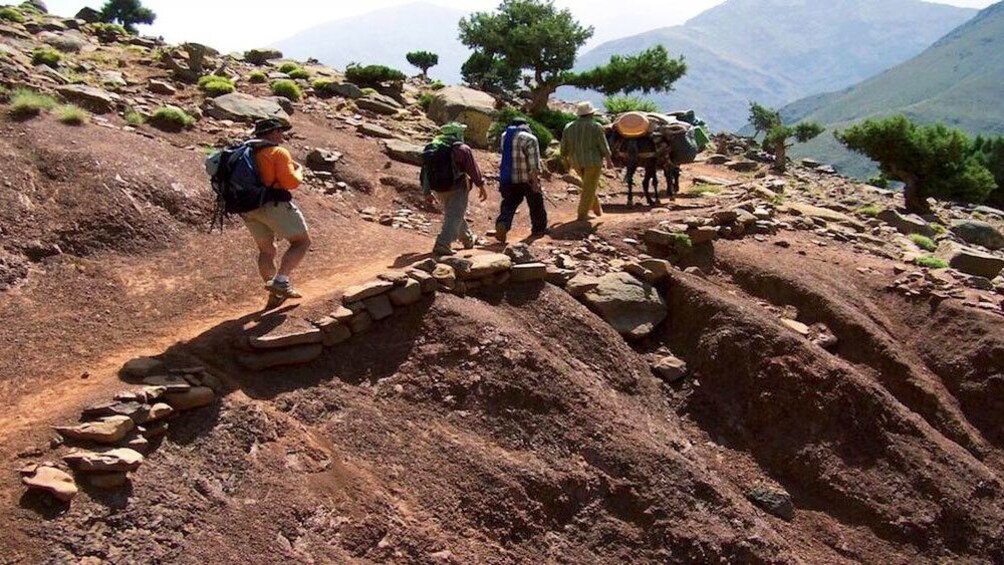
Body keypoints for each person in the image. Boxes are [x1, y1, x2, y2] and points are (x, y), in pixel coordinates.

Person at [241, 118, 311, 308]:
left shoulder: (246, 152)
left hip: (247, 208)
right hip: (273, 204)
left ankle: (274, 292)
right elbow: (290, 183)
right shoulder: (278, 152)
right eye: (280, 131)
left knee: (266, 250)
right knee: (301, 242)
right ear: (271, 133)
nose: (282, 135)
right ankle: (280, 282)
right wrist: (299, 171)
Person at [422, 122, 487, 256]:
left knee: (455, 213)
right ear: (457, 133)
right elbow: (473, 169)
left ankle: (467, 240)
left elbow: (425, 171)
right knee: (455, 214)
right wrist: (480, 185)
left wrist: (426, 191)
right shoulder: (462, 149)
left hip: (439, 188)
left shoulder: (433, 147)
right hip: (457, 187)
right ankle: (443, 243)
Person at [495, 118, 547, 243]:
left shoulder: (505, 136)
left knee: (509, 203)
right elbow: (534, 165)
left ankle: (503, 223)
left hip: (509, 178)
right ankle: (538, 229)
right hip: (527, 179)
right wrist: (535, 182)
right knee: (536, 203)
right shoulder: (530, 139)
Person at [561, 102, 614, 221]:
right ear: (591, 114)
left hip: (576, 161)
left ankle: (597, 210)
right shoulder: (596, 126)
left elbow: (563, 147)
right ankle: (582, 214)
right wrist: (609, 161)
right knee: (589, 187)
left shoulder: (568, 126)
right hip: (593, 161)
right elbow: (603, 145)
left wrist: (566, 161)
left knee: (588, 186)